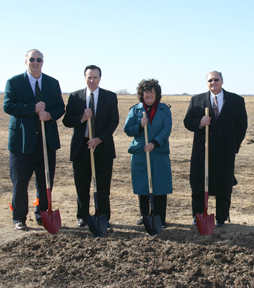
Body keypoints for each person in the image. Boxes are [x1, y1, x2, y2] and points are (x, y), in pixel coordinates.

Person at [3, 49, 65, 231]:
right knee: (20, 182)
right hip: (22, 143)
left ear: (43, 62)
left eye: (39, 60)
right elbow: (8, 105)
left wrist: (49, 115)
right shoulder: (14, 82)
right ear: (26, 61)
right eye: (32, 59)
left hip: (46, 142)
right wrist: (34, 108)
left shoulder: (52, 83)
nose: (35, 62)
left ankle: (42, 214)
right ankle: (19, 218)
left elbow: (60, 107)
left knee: (45, 181)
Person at [184, 71, 248, 227]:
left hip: (225, 152)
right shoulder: (197, 100)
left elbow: (242, 126)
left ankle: (221, 218)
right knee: (199, 185)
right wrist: (200, 122)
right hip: (203, 151)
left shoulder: (236, 101)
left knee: (223, 186)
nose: (213, 82)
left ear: (222, 81)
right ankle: (198, 216)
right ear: (207, 83)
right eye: (210, 80)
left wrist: (233, 147)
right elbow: (187, 122)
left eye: (216, 79)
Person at [63, 65, 119, 227]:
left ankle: (102, 215)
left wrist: (99, 139)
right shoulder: (75, 97)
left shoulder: (109, 97)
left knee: (102, 185)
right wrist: (82, 117)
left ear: (100, 78)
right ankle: (83, 216)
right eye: (89, 77)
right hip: (82, 147)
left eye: (95, 77)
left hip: (103, 147)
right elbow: (67, 121)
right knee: (82, 184)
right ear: (84, 77)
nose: (92, 80)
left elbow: (113, 121)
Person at [124, 79, 172, 228]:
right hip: (140, 152)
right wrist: (139, 125)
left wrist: (154, 143)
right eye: (146, 92)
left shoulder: (164, 110)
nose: (149, 94)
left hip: (158, 152)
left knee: (160, 185)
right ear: (141, 94)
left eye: (152, 91)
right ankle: (144, 215)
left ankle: (159, 217)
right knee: (143, 185)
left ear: (156, 93)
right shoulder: (135, 110)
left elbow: (166, 129)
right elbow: (127, 129)